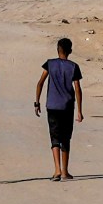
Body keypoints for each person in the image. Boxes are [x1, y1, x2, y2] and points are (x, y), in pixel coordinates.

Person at [35, 36, 86, 181]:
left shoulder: (50, 64)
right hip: (67, 107)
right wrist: (80, 111)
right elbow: (77, 88)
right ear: (70, 51)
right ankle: (65, 171)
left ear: (58, 50)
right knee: (66, 138)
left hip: (52, 106)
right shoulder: (73, 67)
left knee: (54, 137)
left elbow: (40, 83)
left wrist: (37, 102)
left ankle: (56, 169)